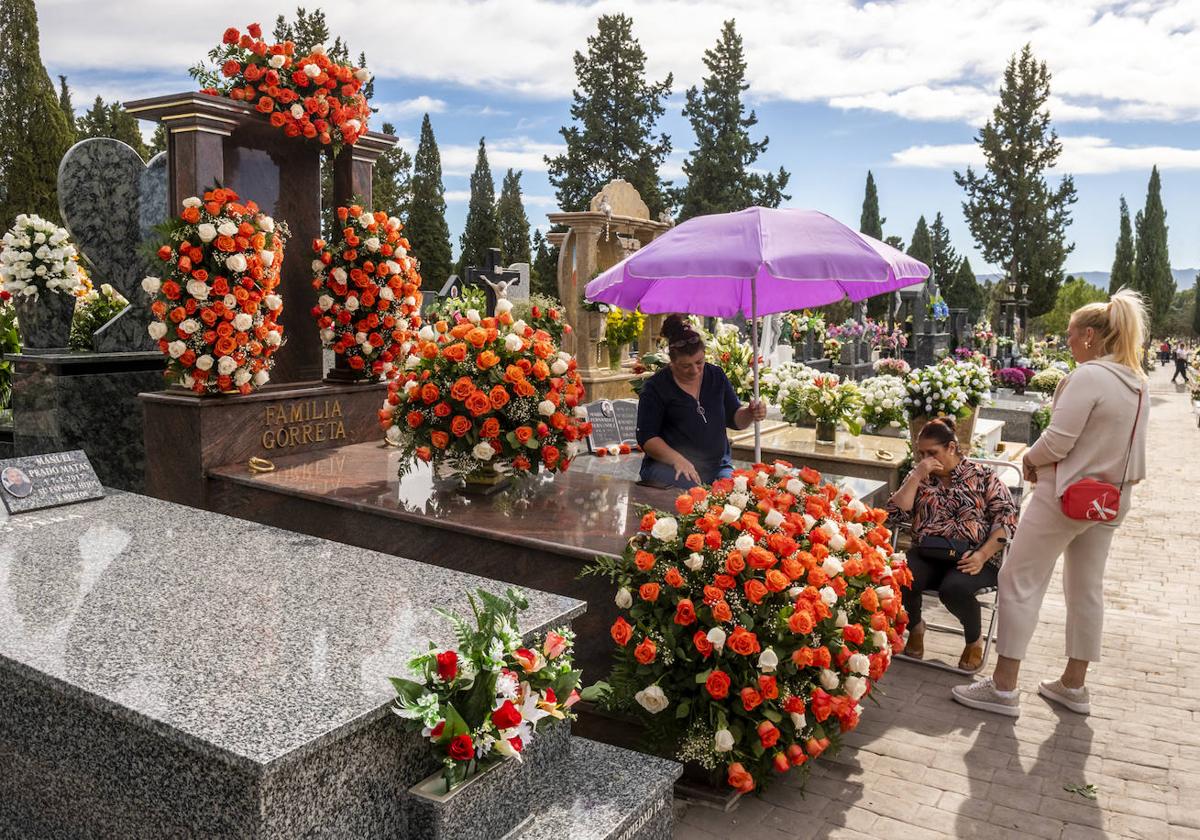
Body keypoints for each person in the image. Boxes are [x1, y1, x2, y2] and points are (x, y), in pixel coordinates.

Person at [952, 289, 1149, 717]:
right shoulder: (1136, 381)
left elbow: (1059, 439)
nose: (1068, 342)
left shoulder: (1090, 376)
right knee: (1086, 589)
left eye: (1072, 334)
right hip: (1109, 500)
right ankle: (1073, 684)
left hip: (1066, 495)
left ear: (1092, 336)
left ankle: (1004, 686)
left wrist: (1030, 459)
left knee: (1019, 578)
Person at [887, 417, 1018, 671]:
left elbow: (1007, 520)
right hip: (928, 552)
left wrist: (982, 555)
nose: (925, 459)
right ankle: (915, 627)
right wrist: (916, 475)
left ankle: (974, 640)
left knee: (954, 588)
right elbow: (894, 515)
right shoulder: (921, 477)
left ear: (951, 447)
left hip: (972, 557)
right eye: (921, 453)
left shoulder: (983, 477)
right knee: (900, 575)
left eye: (932, 452)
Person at [635, 314, 766, 488]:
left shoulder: (716, 376)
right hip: (669, 467)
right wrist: (678, 460)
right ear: (672, 362)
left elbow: (735, 419)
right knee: (693, 498)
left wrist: (750, 413)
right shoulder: (655, 387)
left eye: (699, 362)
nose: (695, 370)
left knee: (734, 493)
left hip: (717, 465)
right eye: (685, 366)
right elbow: (647, 438)